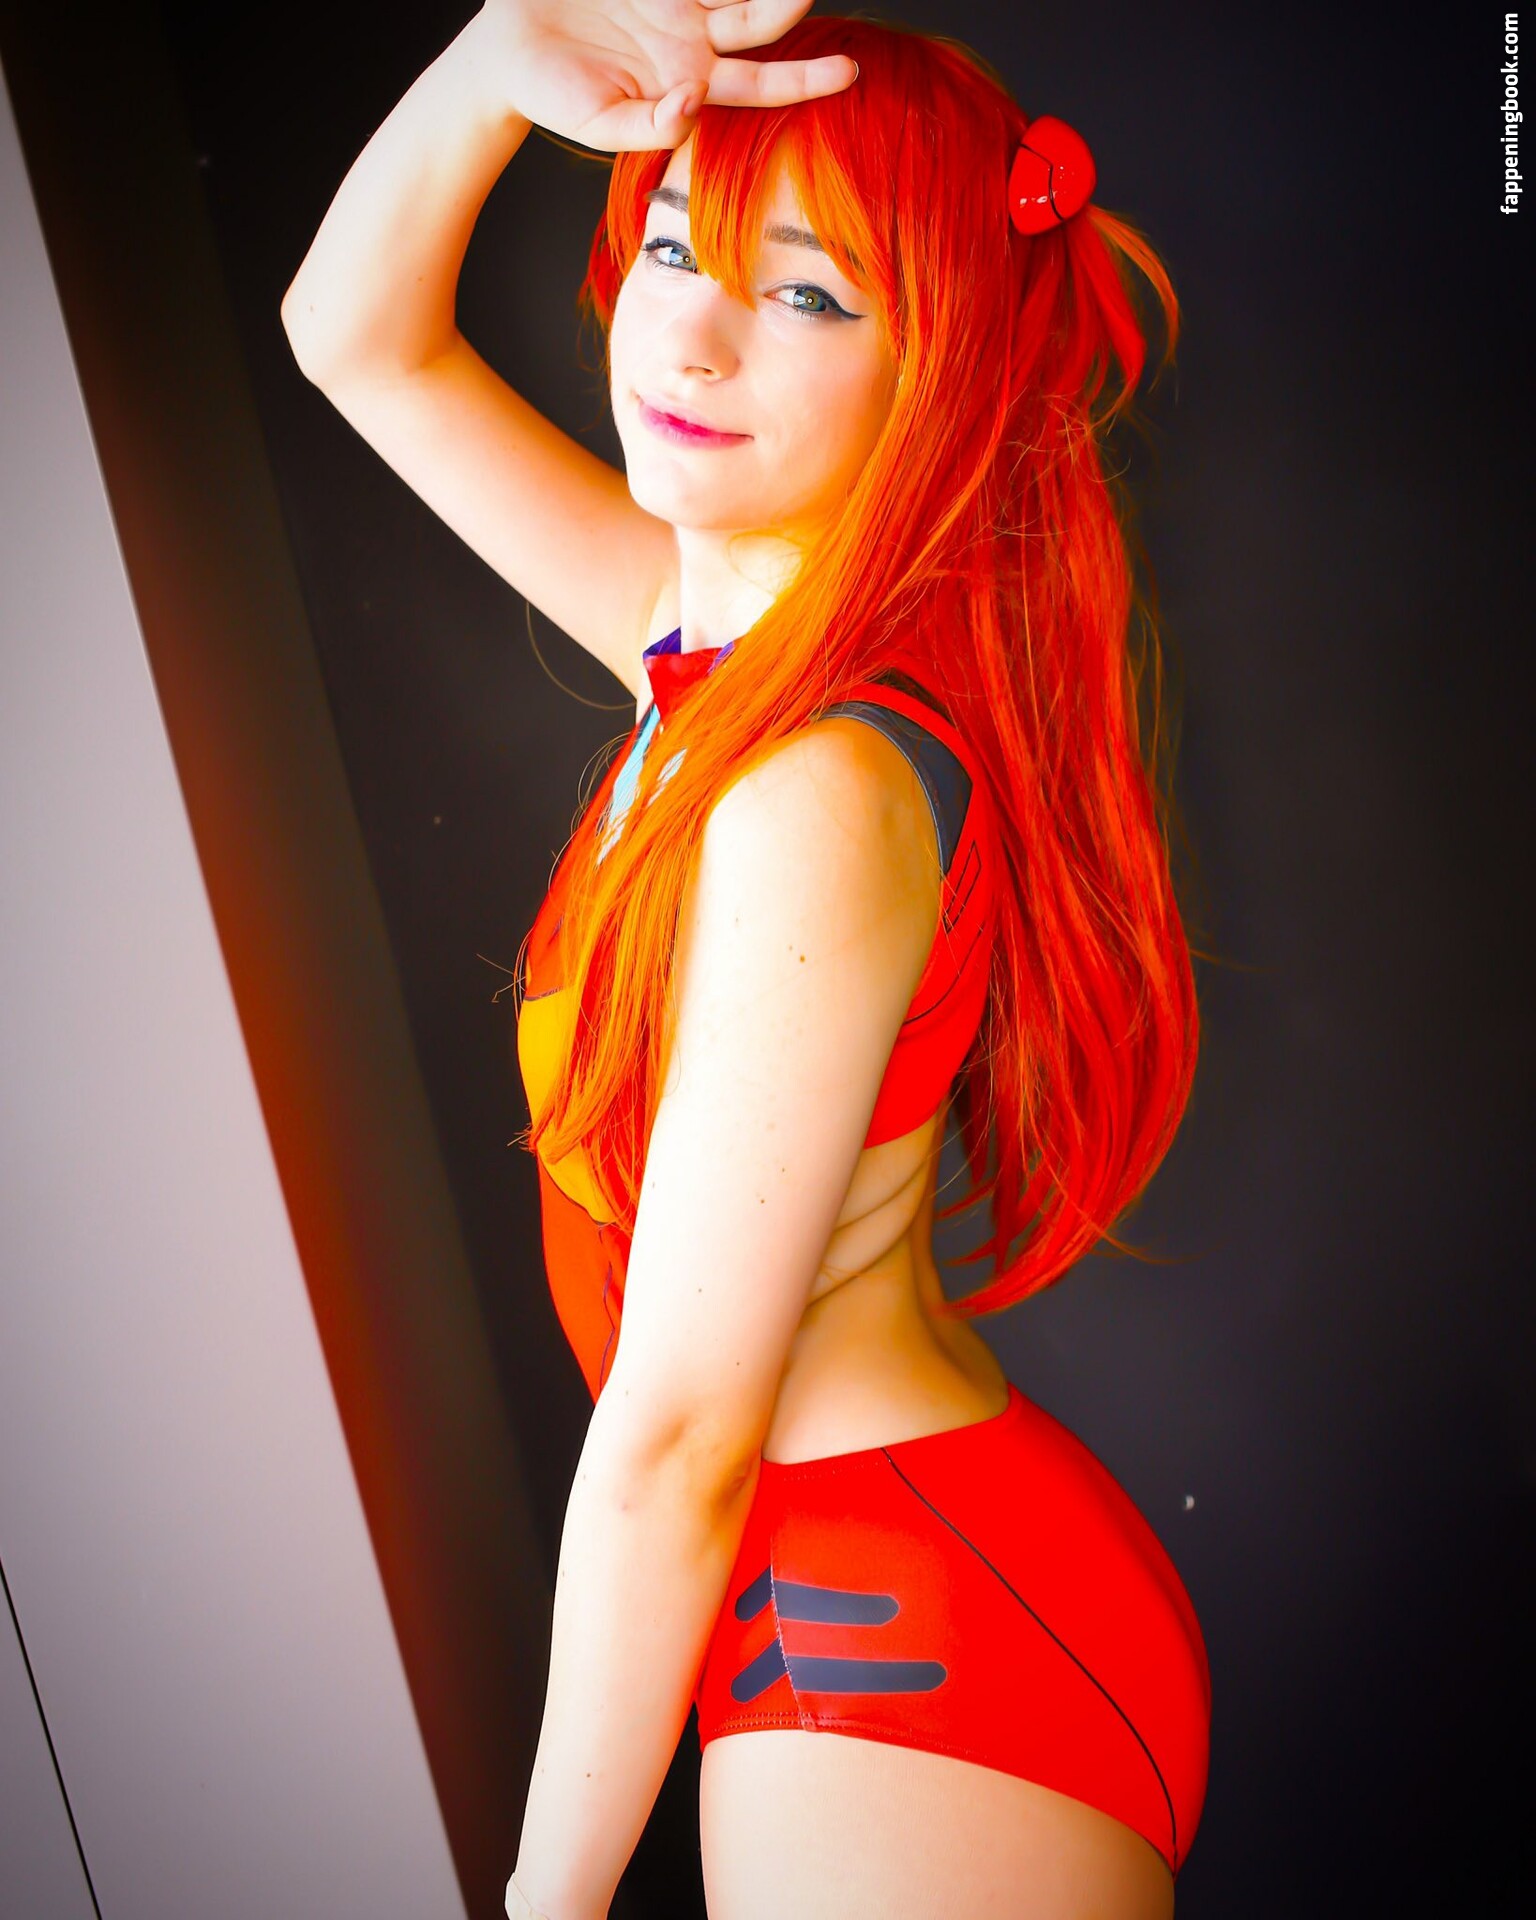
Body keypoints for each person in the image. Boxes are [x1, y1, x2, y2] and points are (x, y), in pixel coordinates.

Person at [281, 3, 1210, 1914]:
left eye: (805, 295)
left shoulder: (814, 789)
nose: (691, 337)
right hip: (856, 1573)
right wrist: (500, 51)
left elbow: (682, 1433)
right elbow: (351, 336)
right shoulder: (701, 666)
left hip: (904, 1620)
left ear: (931, 368)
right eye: (676, 248)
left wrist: (545, 1901)